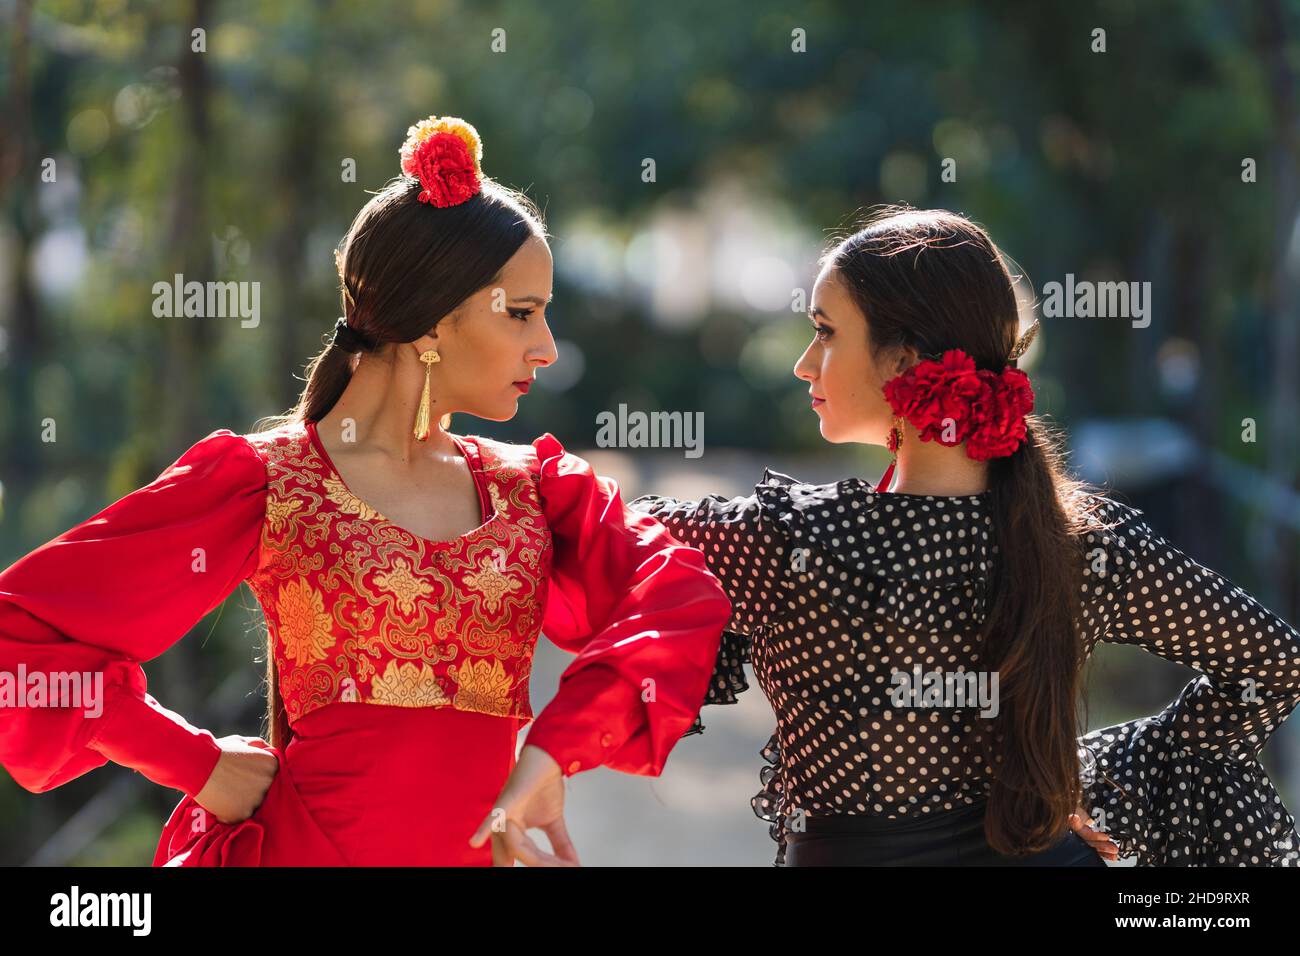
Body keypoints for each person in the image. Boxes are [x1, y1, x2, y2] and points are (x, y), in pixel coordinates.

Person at [0, 115, 731, 867]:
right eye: (520, 314)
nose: (545, 347)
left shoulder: (538, 492)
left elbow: (676, 597)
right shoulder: (266, 481)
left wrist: (549, 756)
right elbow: (14, 637)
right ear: (434, 320)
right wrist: (190, 761)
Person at [631, 206, 1300, 866]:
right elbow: (1275, 662)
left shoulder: (784, 542)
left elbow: (603, 524)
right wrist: (1097, 779)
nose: (805, 363)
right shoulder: (1081, 544)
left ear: (906, 360)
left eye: (826, 332)